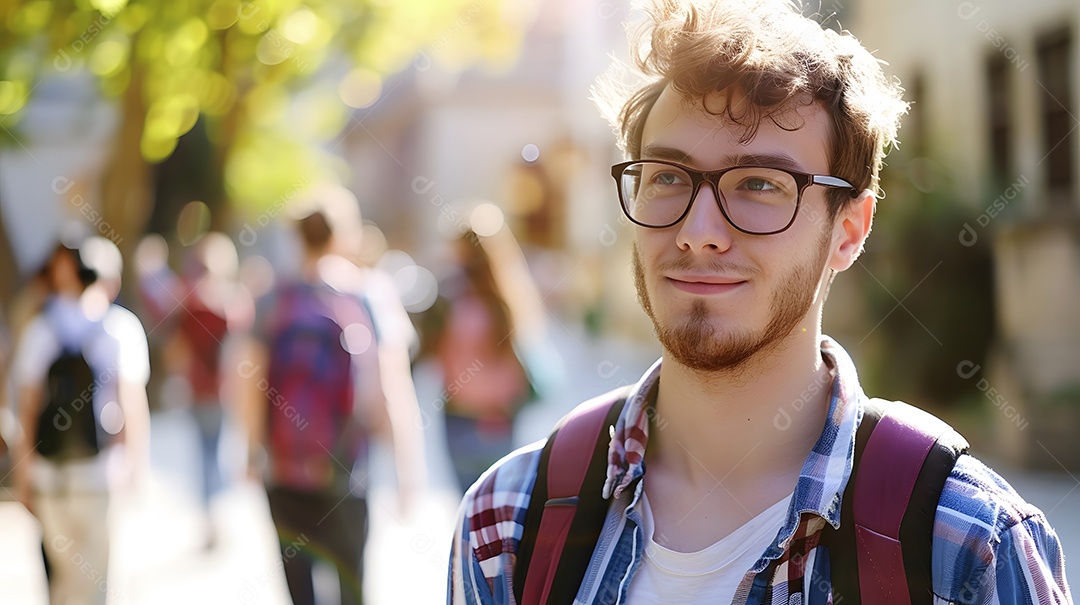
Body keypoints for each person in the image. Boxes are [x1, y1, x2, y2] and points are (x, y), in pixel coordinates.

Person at [448, 1, 1073, 603]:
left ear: (849, 230)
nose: (699, 230)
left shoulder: (968, 548)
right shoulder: (507, 524)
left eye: (758, 185)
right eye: (667, 176)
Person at [242, 185, 425, 605]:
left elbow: (250, 381)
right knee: (351, 587)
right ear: (344, 234)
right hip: (347, 469)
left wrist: (251, 451)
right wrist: (407, 470)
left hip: (283, 469)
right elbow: (393, 390)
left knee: (300, 591)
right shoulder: (369, 296)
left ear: (296, 235)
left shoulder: (273, 298)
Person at [11, 231, 150, 605]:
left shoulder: (40, 329)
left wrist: (23, 475)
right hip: (97, 474)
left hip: (48, 475)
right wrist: (135, 465)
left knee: (63, 581)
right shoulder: (120, 329)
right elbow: (131, 405)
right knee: (93, 583)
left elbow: (26, 408)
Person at [136, 231, 253, 548]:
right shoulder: (231, 300)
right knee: (216, 453)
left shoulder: (189, 297)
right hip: (221, 390)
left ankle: (212, 517)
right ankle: (216, 516)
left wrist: (152, 272)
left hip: (202, 389)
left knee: (207, 454)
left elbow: (161, 313)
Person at [434, 224, 536, 493]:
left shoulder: (455, 300)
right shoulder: (509, 296)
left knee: (473, 504)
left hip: (474, 415)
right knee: (497, 503)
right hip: (491, 416)